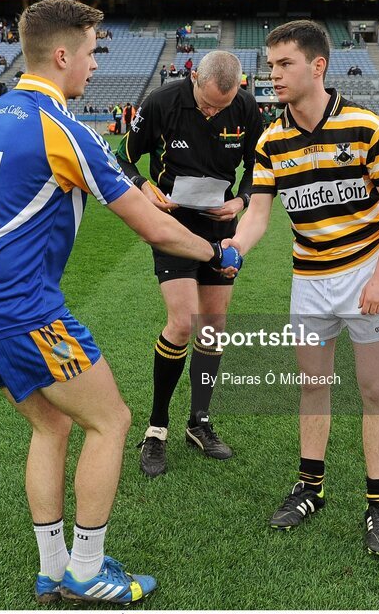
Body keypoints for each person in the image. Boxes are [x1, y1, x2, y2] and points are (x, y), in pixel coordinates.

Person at [0, 0, 242, 606]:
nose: (96, 64)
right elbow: (152, 226)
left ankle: (53, 569)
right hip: (24, 312)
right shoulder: (63, 128)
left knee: (50, 425)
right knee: (112, 421)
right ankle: (86, 571)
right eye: (94, 51)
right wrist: (216, 256)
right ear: (62, 55)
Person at [223, 20, 379, 558]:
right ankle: (311, 487)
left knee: (374, 391)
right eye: (271, 64)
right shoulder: (270, 140)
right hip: (310, 281)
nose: (272, 74)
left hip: (365, 278)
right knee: (313, 385)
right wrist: (235, 249)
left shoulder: (364, 125)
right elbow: (259, 214)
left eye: (285, 64)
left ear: (317, 66)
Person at [115, 51, 262, 477]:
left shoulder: (246, 106)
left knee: (213, 327)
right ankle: (156, 427)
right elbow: (121, 157)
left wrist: (242, 199)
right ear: (193, 77)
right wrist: (143, 187)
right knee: (181, 324)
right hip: (172, 223)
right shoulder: (161, 102)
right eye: (207, 105)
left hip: (221, 226)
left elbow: (260, 164)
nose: (214, 112)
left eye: (223, 106)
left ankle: (198, 421)